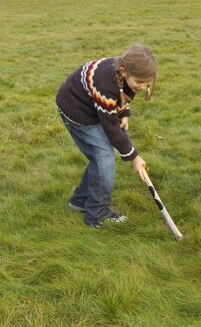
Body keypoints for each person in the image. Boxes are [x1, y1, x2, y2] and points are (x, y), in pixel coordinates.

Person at [56, 44, 155, 228]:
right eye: (139, 82)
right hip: (77, 110)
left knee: (100, 157)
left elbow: (123, 95)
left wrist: (123, 113)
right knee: (104, 156)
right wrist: (133, 157)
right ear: (124, 71)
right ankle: (97, 214)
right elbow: (111, 130)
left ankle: (80, 201)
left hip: (91, 105)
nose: (142, 87)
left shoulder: (124, 75)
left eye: (146, 83)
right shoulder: (106, 84)